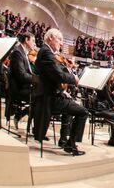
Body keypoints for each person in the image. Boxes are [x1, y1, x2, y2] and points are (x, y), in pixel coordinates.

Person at [34, 28, 88, 156]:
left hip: (48, 95)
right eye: (59, 39)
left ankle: (64, 141)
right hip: (50, 98)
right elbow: (59, 75)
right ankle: (71, 144)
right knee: (83, 112)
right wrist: (73, 78)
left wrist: (62, 91)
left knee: (71, 106)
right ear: (51, 37)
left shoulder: (45, 52)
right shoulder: (47, 53)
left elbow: (52, 76)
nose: (61, 43)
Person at [7, 31, 36, 127]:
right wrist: (37, 80)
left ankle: (20, 115)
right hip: (18, 88)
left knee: (43, 95)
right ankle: (19, 115)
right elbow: (21, 75)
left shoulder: (23, 52)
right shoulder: (18, 52)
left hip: (24, 86)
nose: (34, 44)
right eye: (33, 41)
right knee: (42, 97)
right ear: (26, 40)